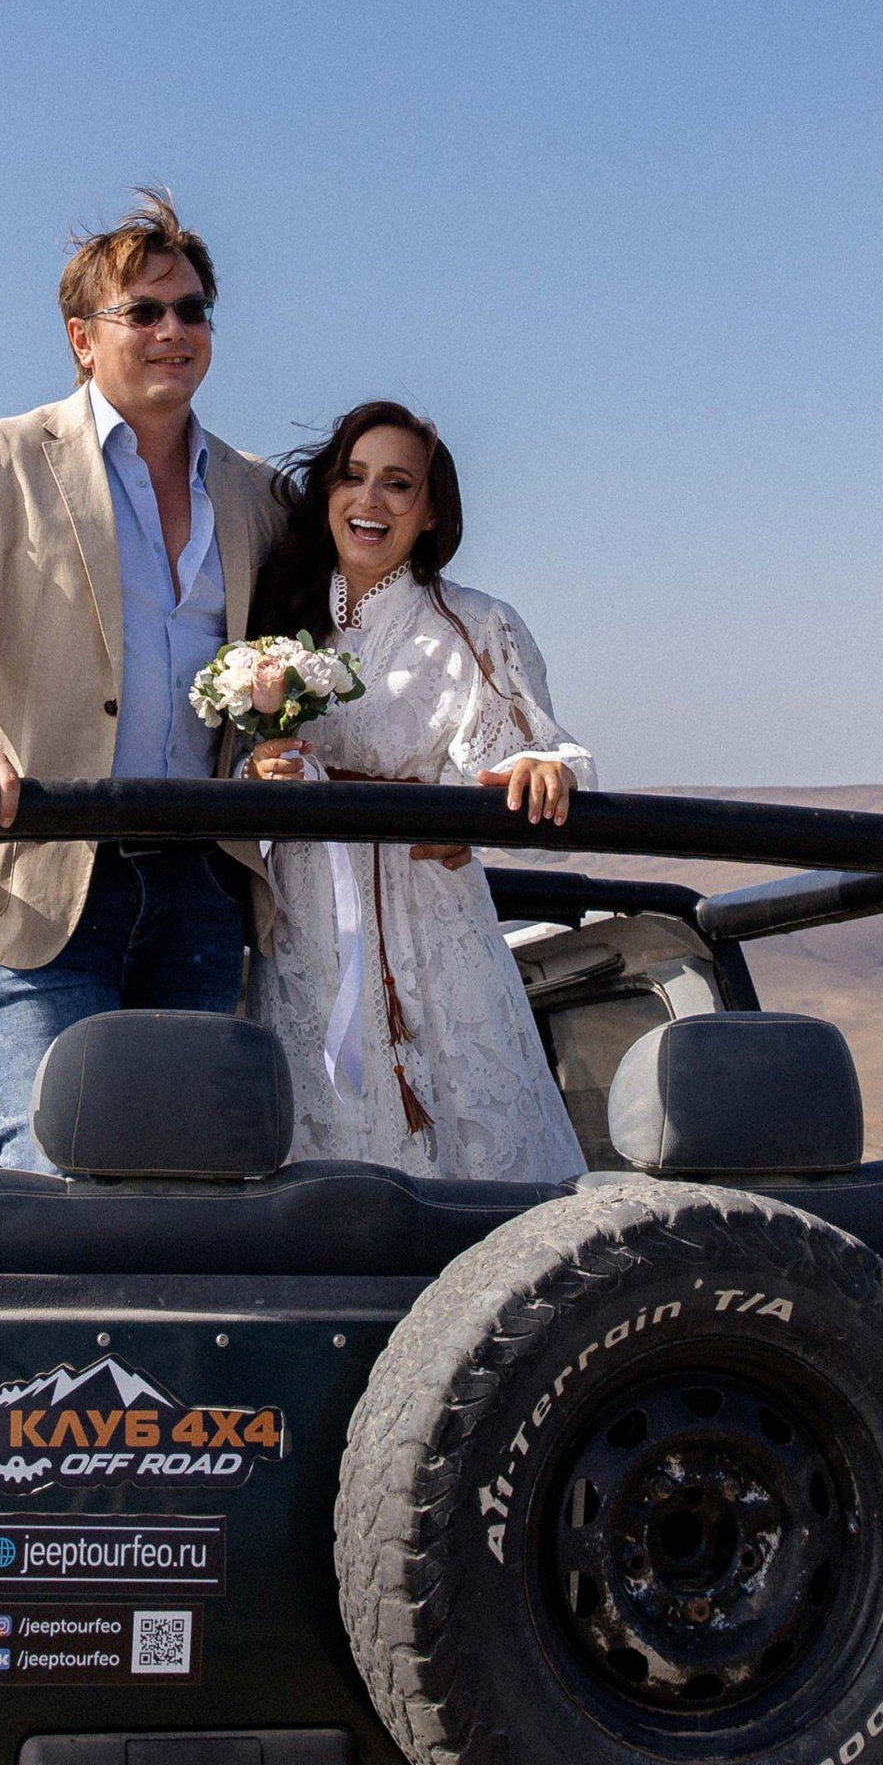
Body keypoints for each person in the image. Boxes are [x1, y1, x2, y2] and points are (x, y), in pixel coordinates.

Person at [0, 193, 284, 1170]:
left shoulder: (258, 494)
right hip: (37, 879)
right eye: (144, 312)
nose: (174, 331)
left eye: (192, 311)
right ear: (81, 341)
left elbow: (335, 640)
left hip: (199, 886)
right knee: (62, 1169)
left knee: (193, 1173)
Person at [242, 401, 590, 1183]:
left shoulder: (475, 623)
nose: (370, 502)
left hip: (432, 930)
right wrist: (258, 774)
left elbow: (542, 748)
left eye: (398, 485)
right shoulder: (273, 620)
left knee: (470, 1152)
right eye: (353, 478)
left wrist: (544, 770)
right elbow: (222, 762)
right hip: (304, 931)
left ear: (431, 513)